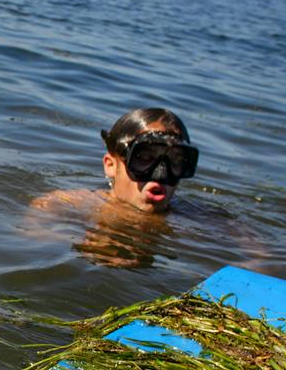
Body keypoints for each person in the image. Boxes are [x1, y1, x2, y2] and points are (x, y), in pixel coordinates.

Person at [28, 107, 200, 267]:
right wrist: (90, 242)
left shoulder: (197, 222)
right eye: (145, 158)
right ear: (110, 165)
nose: (160, 174)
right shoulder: (67, 203)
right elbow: (33, 233)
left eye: (175, 162)